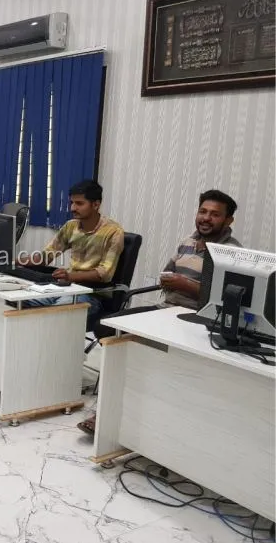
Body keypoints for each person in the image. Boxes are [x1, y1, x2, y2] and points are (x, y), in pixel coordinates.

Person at [76, 189, 241, 436]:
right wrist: (169, 280)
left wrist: (186, 285)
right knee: (107, 326)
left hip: (196, 319)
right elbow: (168, 272)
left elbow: (226, 299)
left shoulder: (230, 253)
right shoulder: (188, 241)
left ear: (228, 221)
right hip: (166, 309)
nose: (206, 218)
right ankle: (117, 405)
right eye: (202, 211)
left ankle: (111, 413)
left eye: (214, 214)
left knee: (140, 349)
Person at [19, 180, 124, 320]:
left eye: (79, 203)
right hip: (66, 287)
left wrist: (70, 277)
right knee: (20, 301)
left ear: (96, 205)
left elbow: (104, 274)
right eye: (72, 203)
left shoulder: (113, 232)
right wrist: (12, 262)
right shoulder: (71, 226)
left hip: (92, 294)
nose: (73, 208)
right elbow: (45, 257)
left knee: (55, 315)